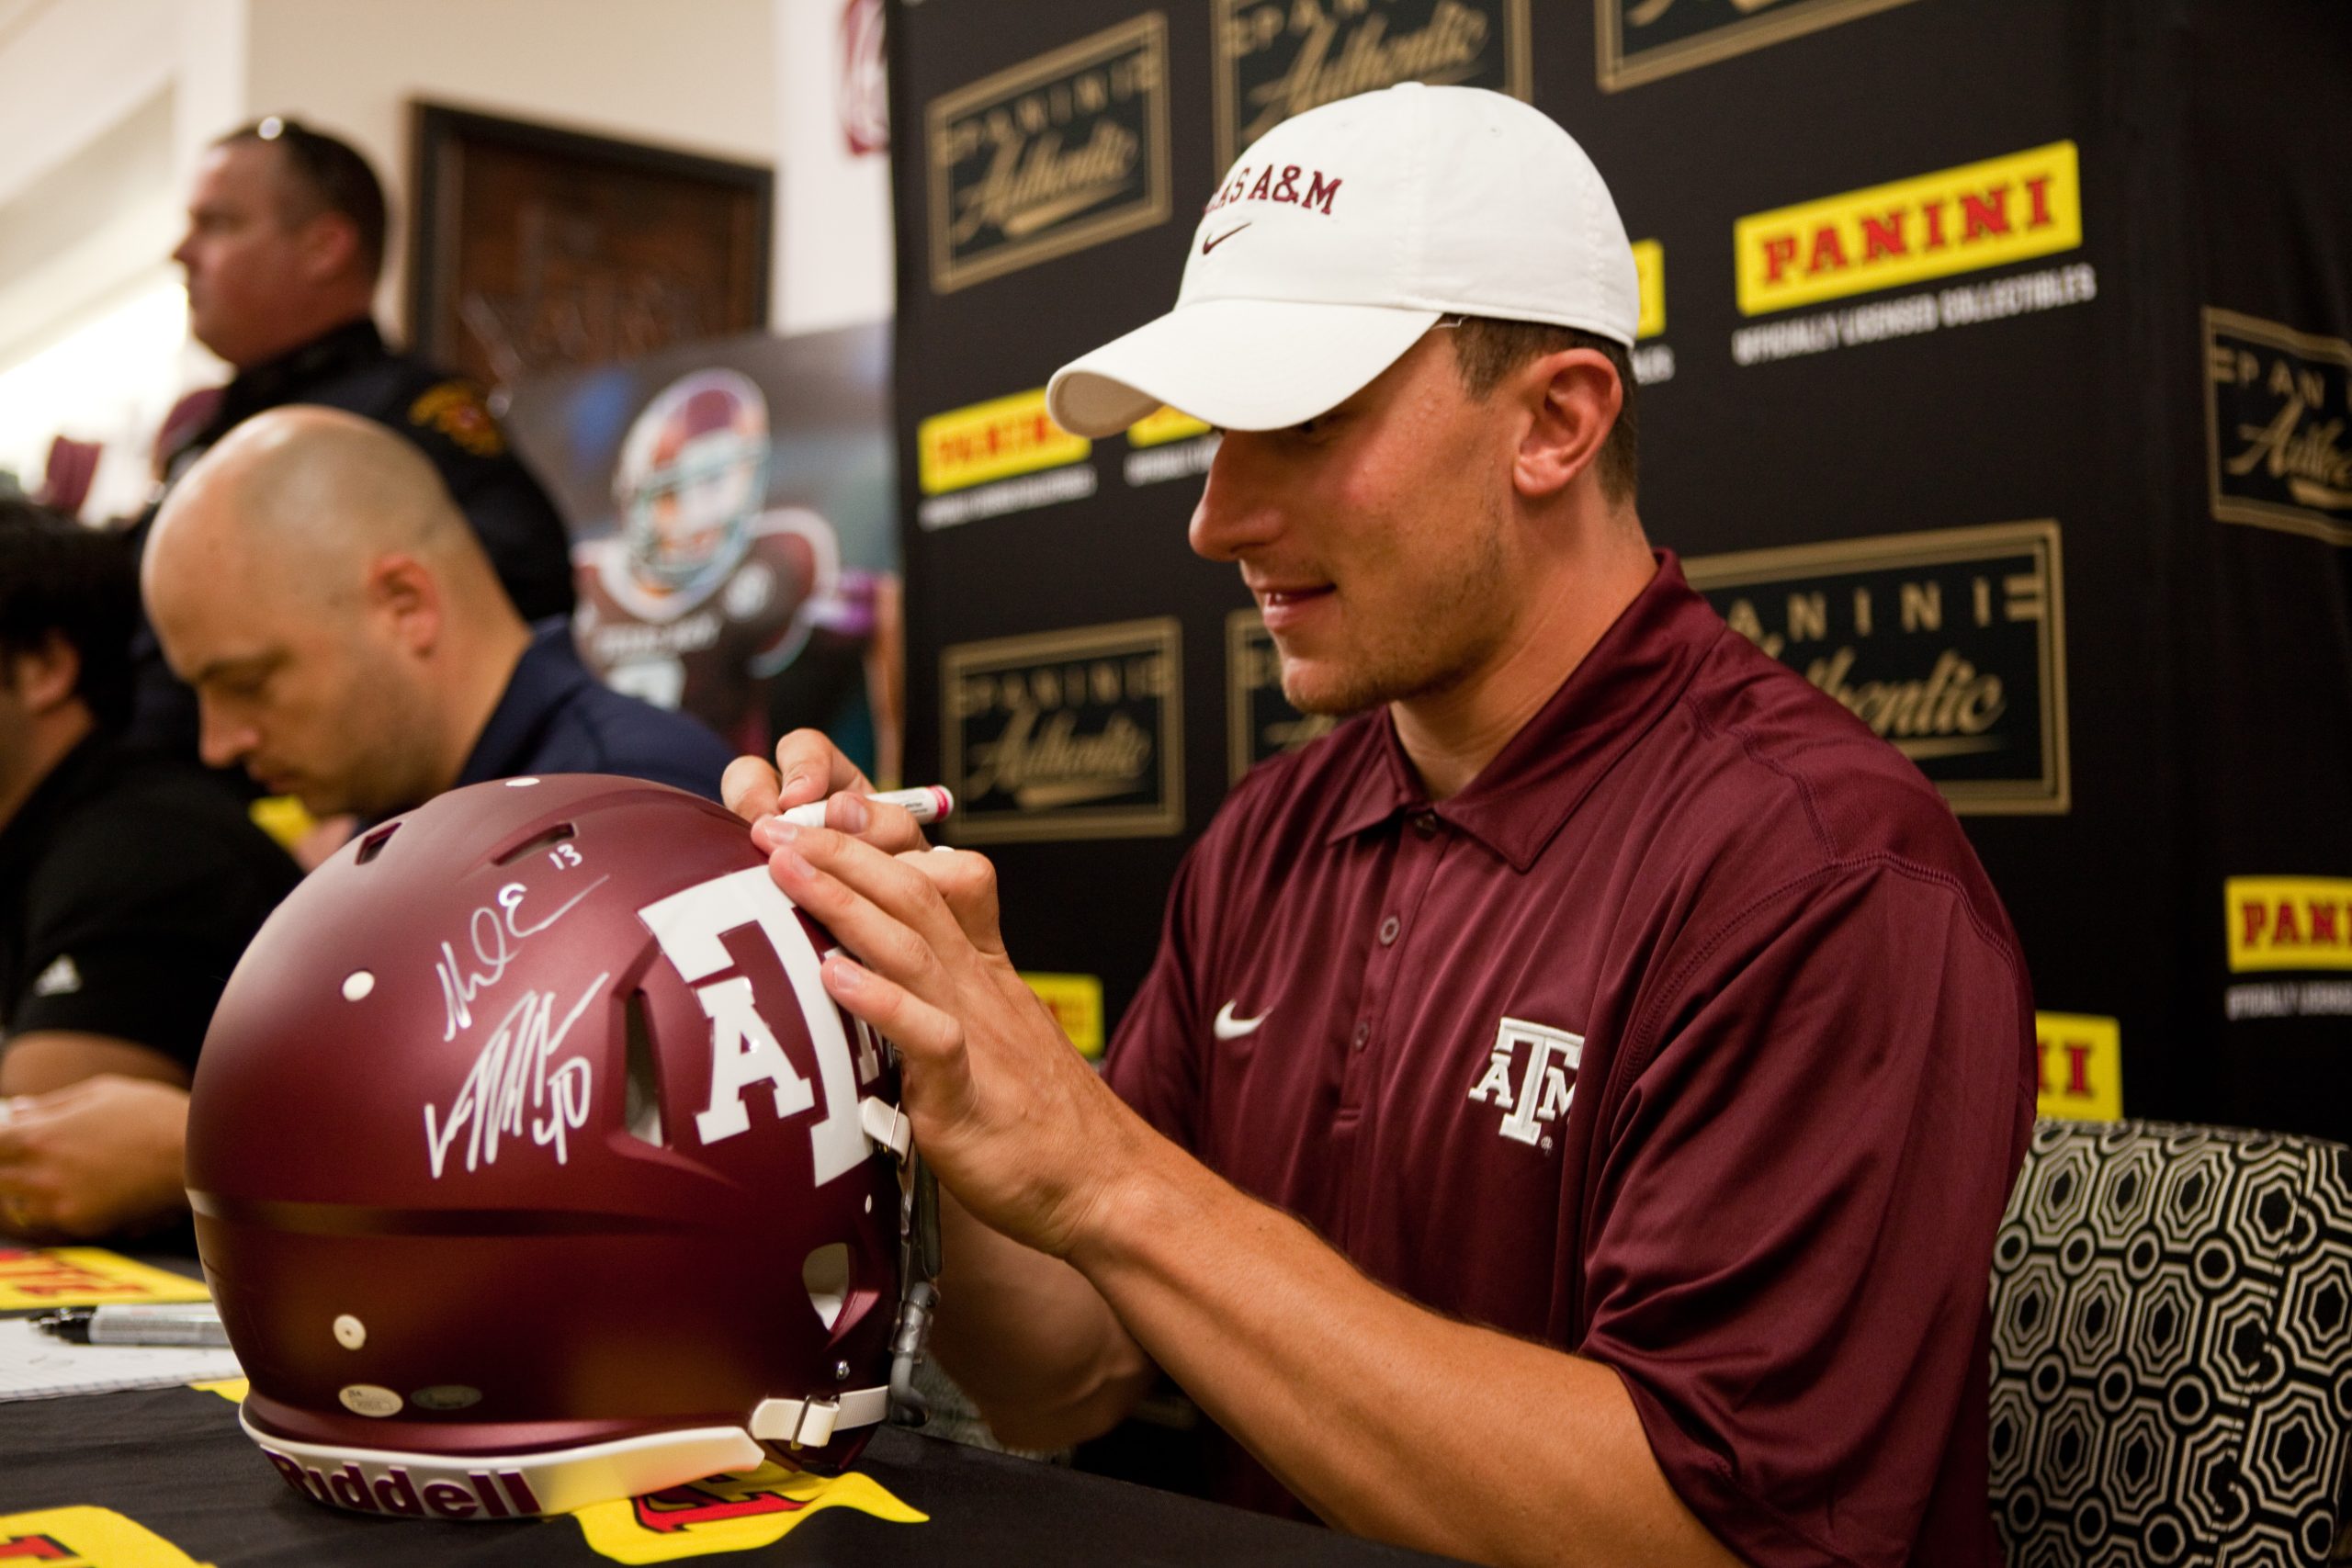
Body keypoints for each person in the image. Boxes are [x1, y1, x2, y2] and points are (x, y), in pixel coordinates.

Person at [724, 85, 2035, 1567]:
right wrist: (909, 1047)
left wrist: (1105, 1167)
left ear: (1555, 421)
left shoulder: (1822, 873)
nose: (1216, 517)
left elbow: (1704, 1534)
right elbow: (1063, 1376)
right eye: (1216, 433)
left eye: (1293, 420)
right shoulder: (1279, 829)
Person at [128, 115, 574, 752]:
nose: (182, 252)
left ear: (325, 246)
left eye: (218, 224)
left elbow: (523, 586)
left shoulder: (410, 412)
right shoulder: (200, 434)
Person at [142, 406, 735, 822]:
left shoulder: (629, 810)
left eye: (248, 683)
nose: (217, 745)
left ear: (406, 604)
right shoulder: (410, 816)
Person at [0, 500, 299, 1241]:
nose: (222, 740)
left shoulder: (146, 850)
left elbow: (28, 1162)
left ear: (44, 667)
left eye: (246, 680)